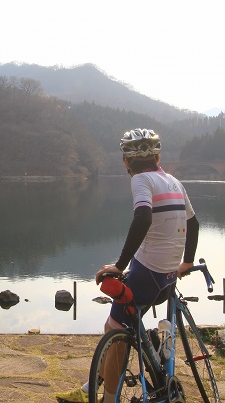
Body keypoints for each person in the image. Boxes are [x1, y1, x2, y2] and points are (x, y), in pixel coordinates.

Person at [55, 128, 200, 403]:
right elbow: (193, 223)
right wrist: (188, 261)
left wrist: (119, 266)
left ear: (126, 161)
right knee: (116, 328)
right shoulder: (173, 181)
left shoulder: (141, 181)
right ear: (158, 156)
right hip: (167, 277)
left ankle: (106, 399)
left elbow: (143, 217)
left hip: (147, 274)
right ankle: (89, 388)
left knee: (115, 333)